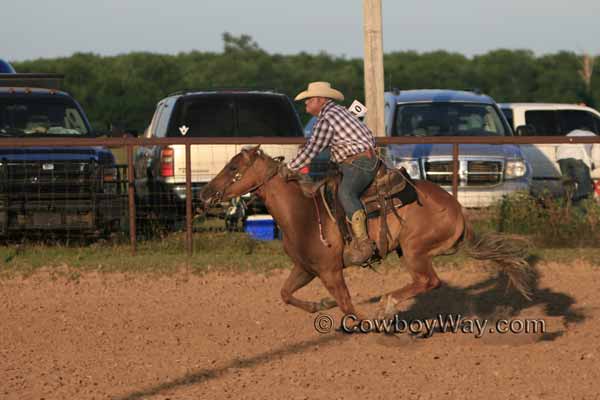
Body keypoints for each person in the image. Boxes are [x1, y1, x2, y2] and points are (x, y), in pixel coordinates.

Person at [286, 81, 378, 266]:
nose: (306, 104)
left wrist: (289, 168)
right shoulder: (338, 112)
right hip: (358, 160)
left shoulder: (326, 120)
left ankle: (363, 243)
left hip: (359, 163)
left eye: (309, 100)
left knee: (346, 192)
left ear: (320, 100)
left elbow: (312, 150)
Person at [556, 128, 598, 203]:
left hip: (561, 156)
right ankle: (580, 210)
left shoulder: (572, 132)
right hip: (578, 155)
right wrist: (594, 165)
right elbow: (597, 155)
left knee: (568, 185)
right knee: (584, 188)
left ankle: (567, 207)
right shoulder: (594, 135)